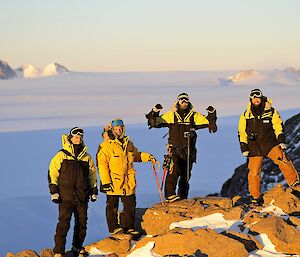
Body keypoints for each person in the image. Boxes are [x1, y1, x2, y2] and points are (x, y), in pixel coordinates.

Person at [146, 93, 217, 202]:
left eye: (186, 99)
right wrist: (155, 111)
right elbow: (154, 122)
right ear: (177, 101)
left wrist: (212, 113)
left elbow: (208, 121)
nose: (184, 101)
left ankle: (183, 198)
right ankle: (170, 195)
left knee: (186, 176)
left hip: (189, 150)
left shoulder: (194, 116)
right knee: (173, 171)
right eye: (181, 99)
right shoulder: (172, 115)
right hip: (174, 149)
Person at [96, 118, 158, 237]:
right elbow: (102, 165)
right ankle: (114, 228)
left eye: (120, 127)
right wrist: (105, 182)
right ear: (112, 130)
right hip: (113, 181)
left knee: (130, 204)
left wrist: (148, 157)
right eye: (116, 128)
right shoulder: (105, 146)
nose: (119, 130)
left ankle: (128, 227)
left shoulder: (128, 143)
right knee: (112, 205)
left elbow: (136, 155)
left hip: (128, 181)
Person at [238, 89, 300, 205]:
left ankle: (295, 184)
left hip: (270, 144)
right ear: (250, 99)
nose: (256, 99)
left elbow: (278, 126)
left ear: (261, 98)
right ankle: (256, 197)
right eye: (253, 97)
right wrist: (244, 146)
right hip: (254, 147)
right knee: (254, 172)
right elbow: (242, 132)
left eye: (258, 97)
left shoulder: (271, 111)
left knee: (284, 160)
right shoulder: (246, 115)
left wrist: (281, 141)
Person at [48, 127, 98, 257]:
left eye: (80, 137)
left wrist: (94, 191)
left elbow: (92, 175)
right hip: (65, 197)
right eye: (76, 137)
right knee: (63, 224)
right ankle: (58, 252)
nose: (78, 139)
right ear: (70, 138)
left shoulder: (86, 157)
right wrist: (54, 191)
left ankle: (77, 248)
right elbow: (52, 173)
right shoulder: (61, 155)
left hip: (82, 196)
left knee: (82, 224)